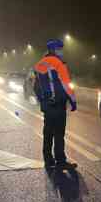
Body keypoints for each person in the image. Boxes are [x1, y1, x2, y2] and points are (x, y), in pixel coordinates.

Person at [34, 39, 77, 169]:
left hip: (47, 105)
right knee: (59, 133)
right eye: (60, 49)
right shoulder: (58, 63)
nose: (61, 51)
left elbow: (35, 86)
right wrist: (73, 101)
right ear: (54, 50)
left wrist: (43, 100)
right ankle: (60, 161)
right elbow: (66, 85)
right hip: (58, 105)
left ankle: (48, 160)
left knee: (48, 133)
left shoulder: (40, 63)